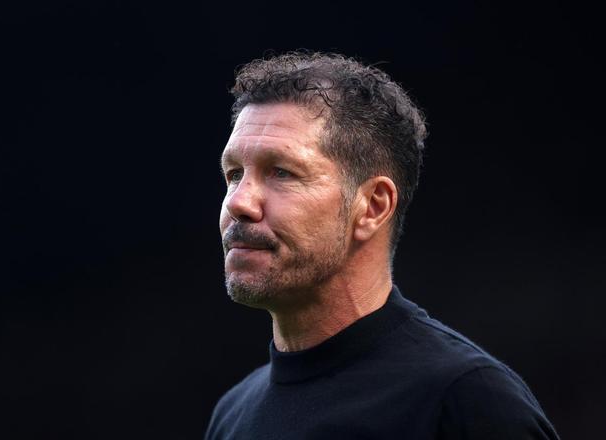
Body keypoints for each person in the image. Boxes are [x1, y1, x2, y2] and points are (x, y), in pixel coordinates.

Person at [205, 51, 559, 439]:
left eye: (282, 172)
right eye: (234, 174)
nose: (239, 202)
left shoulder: (465, 402)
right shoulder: (232, 414)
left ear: (373, 206)